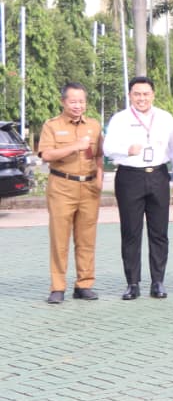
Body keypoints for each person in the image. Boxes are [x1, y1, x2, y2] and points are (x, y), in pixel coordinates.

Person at [103, 76, 173, 300]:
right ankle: (132, 283)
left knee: (159, 232)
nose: (142, 98)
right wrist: (126, 149)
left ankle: (158, 281)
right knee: (131, 232)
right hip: (130, 177)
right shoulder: (120, 119)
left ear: (153, 95)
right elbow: (108, 148)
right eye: (137, 94)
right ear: (130, 95)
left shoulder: (165, 118)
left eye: (146, 94)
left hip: (158, 175)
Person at [39, 82, 103, 304]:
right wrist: (74, 146)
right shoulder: (52, 126)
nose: (78, 105)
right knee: (60, 238)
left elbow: (99, 155)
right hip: (62, 186)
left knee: (86, 239)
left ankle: (84, 284)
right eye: (73, 101)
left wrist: (100, 179)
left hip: (89, 187)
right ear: (63, 102)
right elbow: (46, 155)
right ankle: (58, 287)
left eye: (81, 101)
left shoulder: (94, 126)